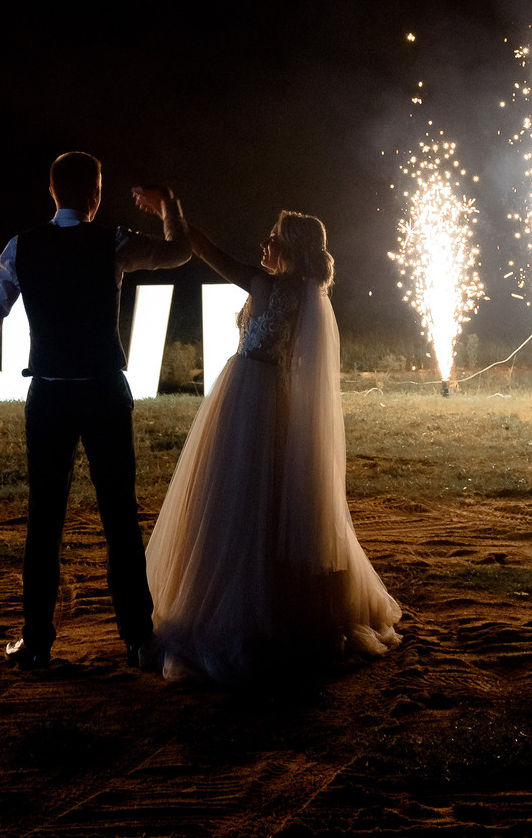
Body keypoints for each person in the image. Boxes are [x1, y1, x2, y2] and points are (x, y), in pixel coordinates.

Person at [0, 151, 195, 670]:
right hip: (103, 390)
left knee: (45, 521)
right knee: (119, 518)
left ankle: (37, 641)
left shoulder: (21, 248)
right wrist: (168, 202)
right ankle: (136, 638)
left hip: (50, 396)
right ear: (95, 196)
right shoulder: (114, 242)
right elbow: (180, 252)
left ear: (53, 193)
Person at [145, 209, 403, 683]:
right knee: (276, 504)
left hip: (246, 403)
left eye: (273, 239)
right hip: (280, 402)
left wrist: (174, 213)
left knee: (233, 503)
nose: (263, 245)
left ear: (291, 250)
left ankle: (234, 610)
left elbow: (209, 252)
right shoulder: (305, 296)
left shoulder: (264, 287)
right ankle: (287, 605)